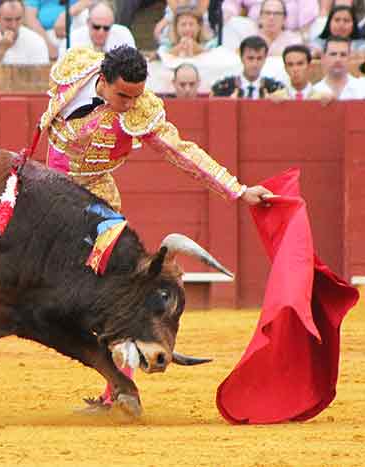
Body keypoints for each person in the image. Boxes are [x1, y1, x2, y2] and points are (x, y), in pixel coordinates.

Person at [38, 45, 272, 405]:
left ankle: (118, 388)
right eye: (123, 95)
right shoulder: (76, 67)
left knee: (119, 287)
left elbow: (182, 151)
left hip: (95, 202)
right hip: (46, 191)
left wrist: (238, 190)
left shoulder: (141, 111)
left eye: (136, 95)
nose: (130, 104)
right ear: (102, 79)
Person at [0, 0, 49, 65]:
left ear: (23, 17)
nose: (13, 25)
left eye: (18, 19)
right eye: (8, 20)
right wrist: (1, 50)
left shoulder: (37, 41)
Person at [211, 35, 284, 98]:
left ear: (265, 59)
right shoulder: (223, 88)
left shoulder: (275, 89)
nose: (255, 64)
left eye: (259, 58)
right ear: (241, 58)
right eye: (250, 58)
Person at [58, 1, 136, 57]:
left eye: (106, 28)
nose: (101, 32)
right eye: (96, 27)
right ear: (88, 23)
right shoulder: (73, 40)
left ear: (112, 24)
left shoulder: (123, 35)